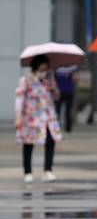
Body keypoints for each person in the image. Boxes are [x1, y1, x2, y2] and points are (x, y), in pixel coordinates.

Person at [15, 55, 63, 183]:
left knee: (50, 142)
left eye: (47, 67)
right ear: (37, 65)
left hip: (47, 117)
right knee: (29, 144)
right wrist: (18, 116)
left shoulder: (48, 81)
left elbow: (57, 97)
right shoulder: (26, 80)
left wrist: (54, 88)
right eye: (43, 67)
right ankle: (28, 172)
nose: (45, 70)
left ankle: (48, 170)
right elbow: (20, 98)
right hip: (31, 118)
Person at [54, 65, 79, 132]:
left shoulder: (72, 67)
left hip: (68, 91)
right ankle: (56, 127)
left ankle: (67, 127)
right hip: (59, 91)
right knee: (57, 110)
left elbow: (76, 79)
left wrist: (73, 76)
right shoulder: (56, 66)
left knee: (66, 110)